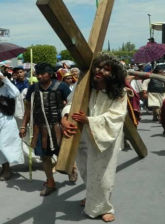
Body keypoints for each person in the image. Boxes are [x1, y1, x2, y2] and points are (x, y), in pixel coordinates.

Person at [61, 53, 128, 223]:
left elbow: (116, 116)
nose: (100, 71)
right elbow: (70, 103)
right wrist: (65, 117)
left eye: (106, 69)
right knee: (85, 170)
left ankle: (104, 208)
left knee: (103, 176)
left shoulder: (119, 92)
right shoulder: (83, 86)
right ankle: (92, 199)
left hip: (105, 136)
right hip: (82, 134)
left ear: (113, 73)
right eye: (98, 67)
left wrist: (89, 120)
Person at [21, 63, 74, 196]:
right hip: (40, 127)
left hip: (58, 126)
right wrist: (23, 125)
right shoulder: (33, 88)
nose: (39, 76)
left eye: (42, 73)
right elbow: (28, 109)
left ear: (50, 74)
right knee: (45, 156)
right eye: (37, 74)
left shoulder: (61, 86)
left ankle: (72, 168)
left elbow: (71, 105)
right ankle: (50, 182)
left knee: (63, 152)